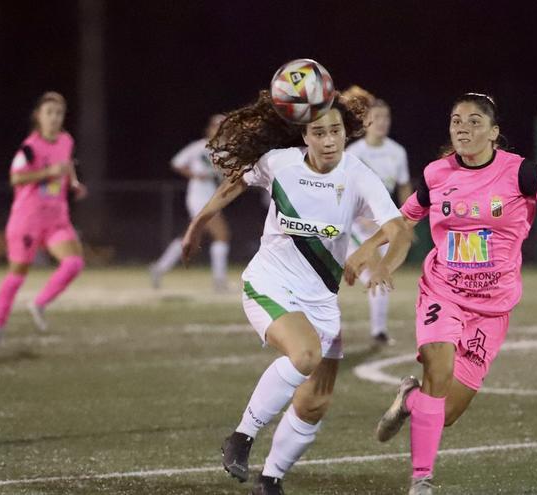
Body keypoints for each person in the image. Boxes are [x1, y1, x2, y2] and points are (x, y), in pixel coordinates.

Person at [351, 93, 537, 494]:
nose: (463, 127)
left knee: (444, 412)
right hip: (441, 292)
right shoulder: (436, 175)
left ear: (494, 133)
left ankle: (410, 399)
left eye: (474, 121)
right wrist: (371, 251)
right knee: (438, 372)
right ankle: (422, 480)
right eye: (456, 120)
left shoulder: (521, 174)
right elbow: (404, 220)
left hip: (492, 308)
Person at [182, 90, 412, 495]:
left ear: (345, 134)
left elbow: (399, 231)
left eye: (335, 132)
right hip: (268, 283)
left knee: (314, 403)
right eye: (318, 132)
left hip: (320, 301)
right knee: (305, 354)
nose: (328, 141)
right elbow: (234, 183)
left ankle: (270, 480)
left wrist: (382, 261)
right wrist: (198, 222)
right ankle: (241, 436)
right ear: (304, 136)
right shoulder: (280, 163)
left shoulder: (357, 174)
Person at [0, 91, 88, 352]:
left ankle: (39, 303)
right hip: (27, 219)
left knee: (74, 263)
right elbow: (15, 178)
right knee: (17, 275)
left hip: (56, 217)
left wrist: (73, 183)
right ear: (38, 116)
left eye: (59, 113)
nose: (54, 118)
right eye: (49, 113)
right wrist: (47, 172)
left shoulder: (66, 140)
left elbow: (66, 163)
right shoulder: (30, 147)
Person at [344, 91, 412, 345]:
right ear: (366, 122)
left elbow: (404, 187)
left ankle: (378, 330)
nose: (383, 122)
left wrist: (406, 221)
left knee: (378, 275)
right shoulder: (354, 152)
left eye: (386, 117)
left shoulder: (397, 152)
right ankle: (378, 331)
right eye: (377, 117)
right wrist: (359, 216)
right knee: (376, 273)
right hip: (356, 226)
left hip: (383, 226)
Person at [150, 115, 230, 291]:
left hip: (211, 196)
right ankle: (219, 281)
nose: (219, 130)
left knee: (190, 237)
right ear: (209, 129)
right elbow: (177, 163)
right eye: (216, 126)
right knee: (221, 235)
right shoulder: (199, 147)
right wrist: (195, 175)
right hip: (199, 196)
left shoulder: (226, 151)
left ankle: (159, 268)